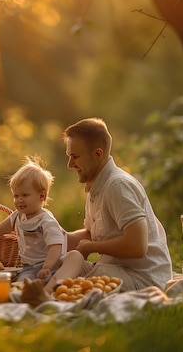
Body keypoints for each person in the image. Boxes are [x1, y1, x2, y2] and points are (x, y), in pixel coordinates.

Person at [21, 118, 173, 306]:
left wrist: (92, 247)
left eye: (75, 157)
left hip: (143, 279)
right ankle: (45, 292)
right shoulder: (96, 187)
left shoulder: (117, 186)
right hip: (118, 271)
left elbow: (138, 245)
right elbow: (92, 234)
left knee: (67, 268)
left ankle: (46, 295)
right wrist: (49, 239)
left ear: (97, 154)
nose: (70, 164)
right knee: (60, 260)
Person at [0, 156, 67, 283]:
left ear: (41, 196)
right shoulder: (18, 215)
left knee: (46, 281)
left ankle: (42, 288)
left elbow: (56, 247)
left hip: (48, 266)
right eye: (16, 196)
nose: (19, 200)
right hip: (28, 267)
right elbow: (6, 226)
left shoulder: (46, 221)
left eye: (25, 195)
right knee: (21, 282)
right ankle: (24, 290)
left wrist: (47, 267)